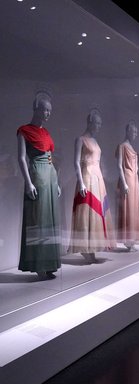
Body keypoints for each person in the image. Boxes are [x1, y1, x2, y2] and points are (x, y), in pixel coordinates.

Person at [16, 91, 61, 279]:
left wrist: (56, 182)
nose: (48, 114)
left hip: (50, 176)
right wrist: (28, 183)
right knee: (38, 219)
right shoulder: (24, 130)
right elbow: (21, 158)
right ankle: (37, 263)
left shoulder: (46, 132)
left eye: (50, 110)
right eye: (45, 110)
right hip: (37, 176)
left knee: (49, 220)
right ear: (36, 109)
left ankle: (49, 263)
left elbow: (51, 158)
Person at [68, 108, 116, 262]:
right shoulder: (80, 139)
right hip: (87, 177)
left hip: (98, 178)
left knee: (97, 213)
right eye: (97, 123)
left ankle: (93, 247)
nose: (99, 126)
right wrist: (81, 182)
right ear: (89, 122)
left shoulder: (95, 141)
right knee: (87, 211)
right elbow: (76, 162)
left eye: (100, 123)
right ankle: (85, 248)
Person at [116, 121, 139, 251]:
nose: (135, 134)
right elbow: (119, 165)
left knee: (134, 209)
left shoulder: (131, 147)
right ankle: (128, 239)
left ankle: (132, 239)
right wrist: (124, 183)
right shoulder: (122, 146)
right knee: (128, 209)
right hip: (127, 178)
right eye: (133, 131)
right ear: (127, 131)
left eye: (136, 132)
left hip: (134, 179)